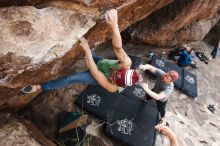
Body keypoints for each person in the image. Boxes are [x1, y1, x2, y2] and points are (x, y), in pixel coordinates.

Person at [21, 9, 142, 94]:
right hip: (104, 64)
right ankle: (86, 53)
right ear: (123, 69)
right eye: (114, 75)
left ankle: (40, 87)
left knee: (72, 78)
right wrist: (114, 26)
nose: (112, 78)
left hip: (96, 76)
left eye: (114, 80)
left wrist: (87, 50)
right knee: (90, 55)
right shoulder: (126, 63)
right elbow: (117, 48)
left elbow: (94, 72)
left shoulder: (112, 87)